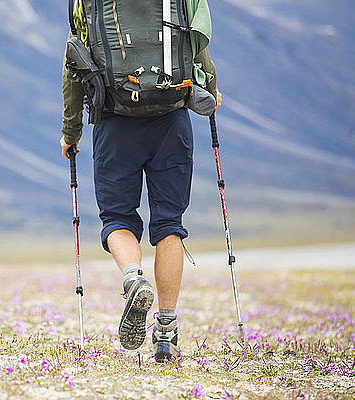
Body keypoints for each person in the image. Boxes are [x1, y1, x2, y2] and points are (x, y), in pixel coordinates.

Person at [60, 0, 222, 361]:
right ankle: (166, 332)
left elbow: (73, 61)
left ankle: (134, 278)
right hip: (172, 119)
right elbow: (200, 44)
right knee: (169, 225)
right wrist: (212, 87)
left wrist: (70, 132)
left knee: (117, 218)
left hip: (114, 121)